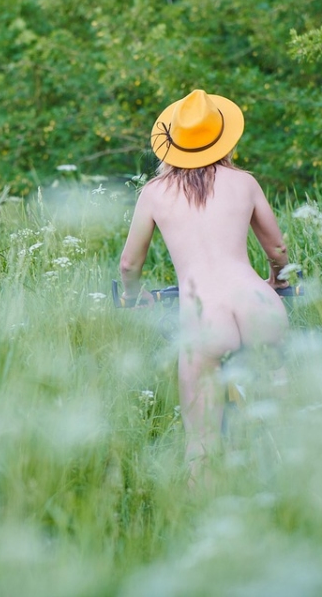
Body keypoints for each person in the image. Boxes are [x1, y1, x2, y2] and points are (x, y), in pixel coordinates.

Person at [118, 89, 290, 479]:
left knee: (201, 444)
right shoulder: (243, 182)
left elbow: (130, 263)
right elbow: (278, 249)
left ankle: (206, 520)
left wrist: (134, 296)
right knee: (284, 430)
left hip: (203, 318)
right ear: (222, 137)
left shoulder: (154, 193)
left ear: (172, 143)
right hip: (257, 304)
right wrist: (276, 280)